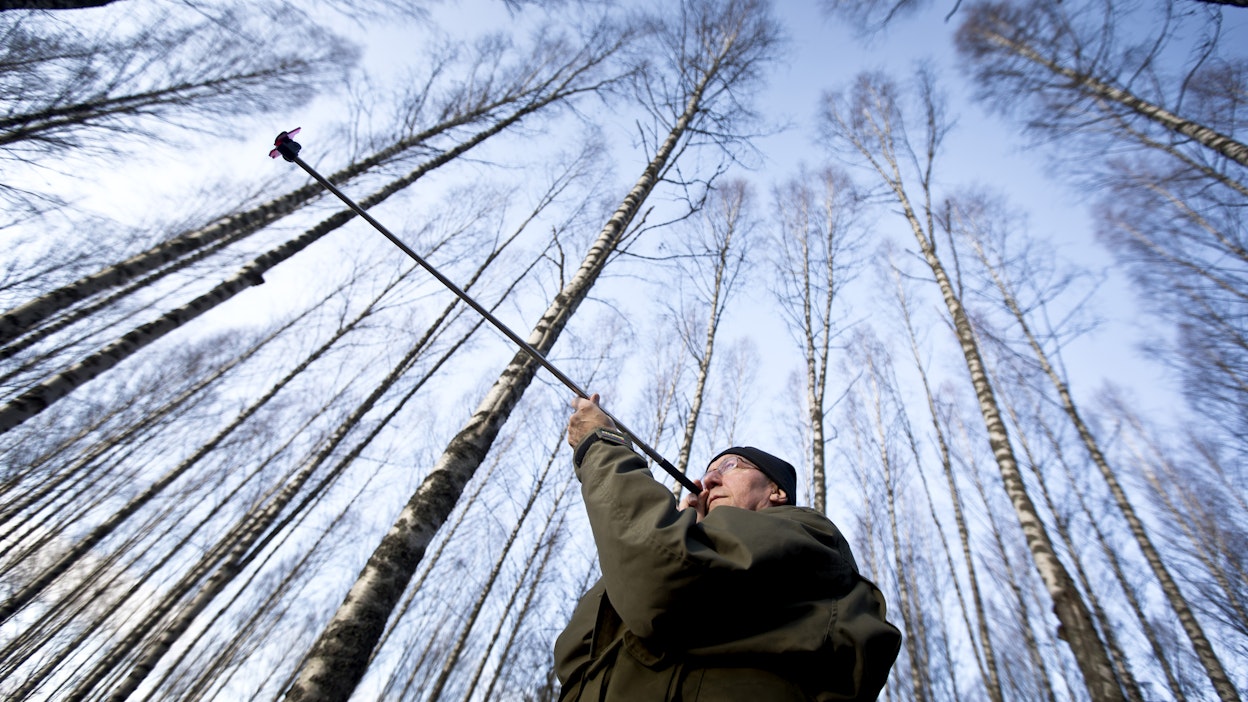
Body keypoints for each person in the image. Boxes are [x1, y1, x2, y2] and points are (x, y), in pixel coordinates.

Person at [555, 394, 901, 701]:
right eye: (708, 472)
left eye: (729, 466)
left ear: (776, 491)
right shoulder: (698, 546)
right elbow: (577, 661)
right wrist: (679, 530)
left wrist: (601, 444)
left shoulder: (807, 533)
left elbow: (658, 580)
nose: (709, 480)